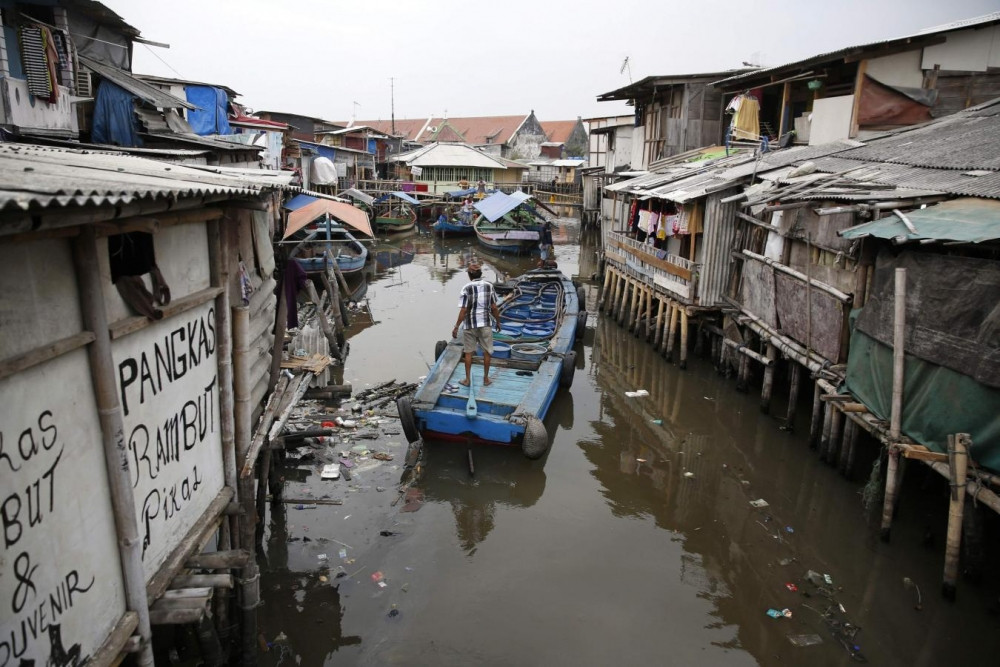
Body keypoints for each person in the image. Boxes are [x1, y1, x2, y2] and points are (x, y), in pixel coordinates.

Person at [452, 263, 501, 387]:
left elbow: (463, 310)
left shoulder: (466, 288)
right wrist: (498, 322)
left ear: (469, 275)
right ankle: (486, 379)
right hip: (485, 323)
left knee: (468, 352)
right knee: (487, 351)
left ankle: (467, 380)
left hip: (470, 324)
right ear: (481, 274)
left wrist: (456, 326)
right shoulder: (489, 286)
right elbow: (494, 307)